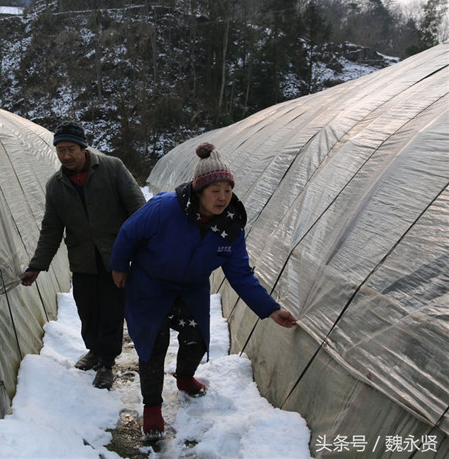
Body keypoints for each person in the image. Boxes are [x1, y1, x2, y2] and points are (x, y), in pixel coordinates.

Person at [109, 142, 297, 437]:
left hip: (191, 288)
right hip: (150, 285)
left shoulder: (231, 227)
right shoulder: (165, 208)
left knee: (196, 338)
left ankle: (184, 377)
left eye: (227, 190)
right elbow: (128, 233)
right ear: (199, 190)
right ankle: (152, 406)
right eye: (215, 190)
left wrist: (270, 308)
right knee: (152, 345)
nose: (223, 198)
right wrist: (119, 266)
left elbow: (240, 274)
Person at [20, 121, 145, 390]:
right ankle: (94, 350)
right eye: (61, 149)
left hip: (115, 258)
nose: (66, 155)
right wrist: (37, 265)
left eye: (71, 149)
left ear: (83, 147)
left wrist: (142, 251)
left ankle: (107, 362)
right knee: (87, 310)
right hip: (83, 260)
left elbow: (138, 210)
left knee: (111, 310)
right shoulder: (56, 185)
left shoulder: (112, 168)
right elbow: (51, 229)